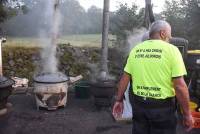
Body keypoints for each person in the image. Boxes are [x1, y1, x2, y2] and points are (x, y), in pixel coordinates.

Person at [112, 20, 194, 134]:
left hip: (139, 107)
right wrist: (187, 114)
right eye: (170, 34)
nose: (171, 37)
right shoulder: (172, 50)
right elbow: (180, 86)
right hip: (163, 111)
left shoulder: (136, 50)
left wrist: (119, 100)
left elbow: (124, 78)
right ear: (162, 33)